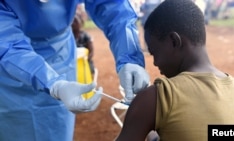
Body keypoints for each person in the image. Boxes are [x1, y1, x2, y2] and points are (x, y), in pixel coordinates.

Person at [0, 0, 149, 141]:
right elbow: (8, 45)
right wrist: (54, 84)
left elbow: (112, 6)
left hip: (60, 55)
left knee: (55, 127)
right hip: (11, 71)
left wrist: (129, 55)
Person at [116, 0, 234, 141]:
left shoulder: (159, 96)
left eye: (155, 53)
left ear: (174, 41)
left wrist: (140, 107)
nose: (155, 63)